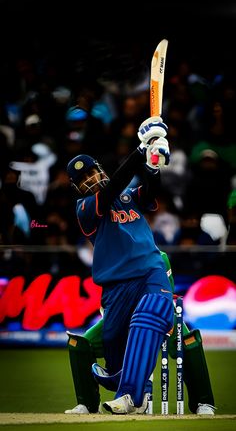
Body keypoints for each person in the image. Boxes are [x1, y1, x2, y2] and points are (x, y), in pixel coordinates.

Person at [66, 115, 174, 414]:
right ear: (78, 189)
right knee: (113, 339)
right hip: (115, 286)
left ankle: (133, 395)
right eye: (82, 179)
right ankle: (124, 388)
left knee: (150, 313)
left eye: (91, 173)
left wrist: (153, 165)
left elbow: (150, 192)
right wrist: (141, 152)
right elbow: (114, 186)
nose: (89, 179)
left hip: (149, 270)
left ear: (100, 169)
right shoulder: (86, 209)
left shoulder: (128, 196)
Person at [65, 250, 216, 416]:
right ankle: (88, 404)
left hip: (155, 313)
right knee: (80, 344)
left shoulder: (159, 256)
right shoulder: (111, 257)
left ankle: (204, 402)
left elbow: (167, 291)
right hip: (121, 315)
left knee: (189, 342)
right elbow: (107, 297)